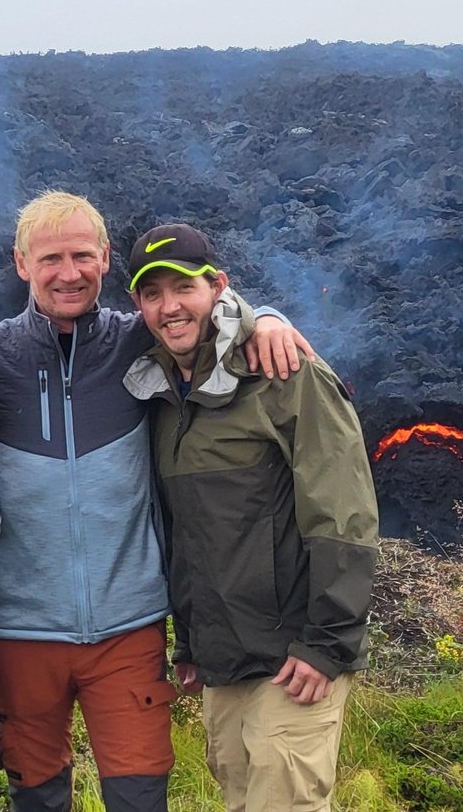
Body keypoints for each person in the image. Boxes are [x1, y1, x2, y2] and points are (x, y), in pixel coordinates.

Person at [0, 191, 313, 812]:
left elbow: (202, 314)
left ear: (105, 258)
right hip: (18, 633)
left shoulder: (138, 341)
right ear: (21, 264)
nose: (69, 273)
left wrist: (264, 317)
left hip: (128, 629)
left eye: (83, 255)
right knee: (37, 799)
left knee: (140, 799)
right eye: (50, 258)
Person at [121, 223, 379, 812]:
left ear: (218, 287)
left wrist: (328, 643)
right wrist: (191, 642)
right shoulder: (162, 397)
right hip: (223, 662)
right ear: (138, 304)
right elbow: (192, 535)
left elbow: (344, 516)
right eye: (153, 293)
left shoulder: (285, 375)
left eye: (183, 288)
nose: (169, 307)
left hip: (294, 658)